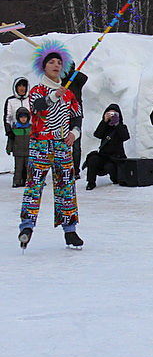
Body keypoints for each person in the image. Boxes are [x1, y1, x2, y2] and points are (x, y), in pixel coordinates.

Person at [18, 39, 83, 249]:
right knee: (34, 185)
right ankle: (27, 226)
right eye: (51, 62)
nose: (56, 65)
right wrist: (54, 95)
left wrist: (74, 132)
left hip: (63, 146)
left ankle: (70, 230)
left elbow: (77, 116)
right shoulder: (38, 89)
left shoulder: (69, 93)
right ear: (44, 67)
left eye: (58, 62)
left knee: (66, 187)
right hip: (40, 145)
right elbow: (37, 107)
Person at [83, 103, 130, 190]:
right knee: (93, 159)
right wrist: (104, 121)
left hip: (116, 157)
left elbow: (125, 137)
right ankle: (91, 182)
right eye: (110, 113)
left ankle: (115, 178)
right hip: (104, 155)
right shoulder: (104, 126)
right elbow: (97, 134)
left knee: (110, 167)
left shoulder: (122, 127)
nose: (112, 116)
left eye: (114, 114)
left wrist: (117, 124)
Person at [62, 63, 88, 178]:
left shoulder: (76, 80)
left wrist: (72, 73)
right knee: (63, 144)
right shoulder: (61, 80)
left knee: (76, 145)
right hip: (63, 115)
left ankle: (75, 171)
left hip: (76, 115)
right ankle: (64, 168)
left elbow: (84, 78)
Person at [4, 77, 29, 187]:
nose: (22, 88)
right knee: (19, 161)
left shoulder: (31, 99)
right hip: (16, 133)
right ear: (16, 87)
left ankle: (29, 179)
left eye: (24, 85)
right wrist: (9, 131)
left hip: (29, 132)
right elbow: (7, 117)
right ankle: (18, 180)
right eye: (19, 86)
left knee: (30, 160)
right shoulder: (10, 100)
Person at [6, 107, 31, 187]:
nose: (23, 119)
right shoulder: (14, 128)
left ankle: (28, 181)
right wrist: (9, 148)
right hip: (18, 152)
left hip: (28, 152)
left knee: (29, 168)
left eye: (25, 117)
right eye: (21, 117)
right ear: (18, 118)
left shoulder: (31, 128)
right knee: (18, 168)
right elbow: (11, 140)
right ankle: (17, 181)